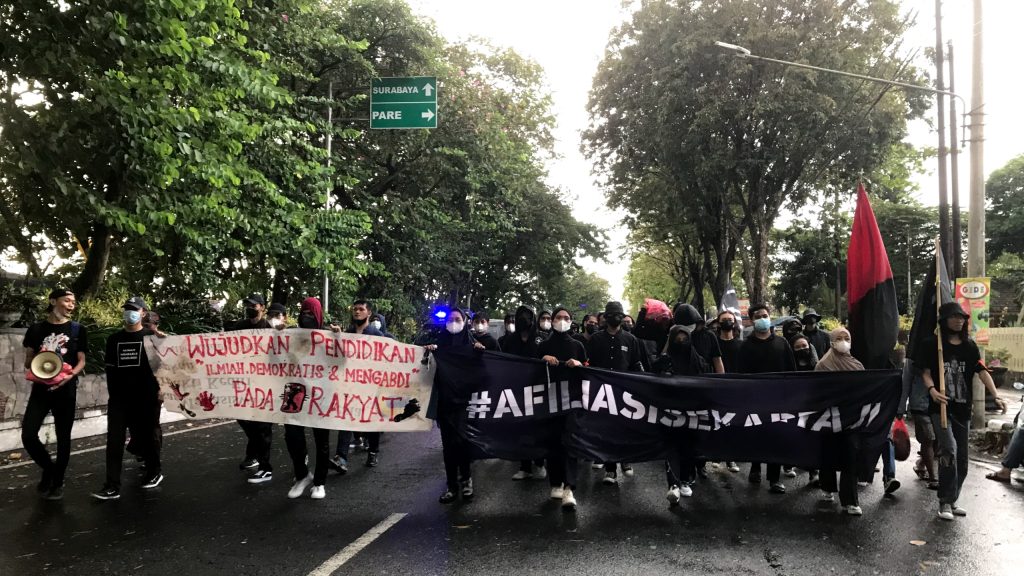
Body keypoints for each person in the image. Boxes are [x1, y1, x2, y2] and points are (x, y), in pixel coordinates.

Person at [920, 302, 1005, 520]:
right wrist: (931, 390)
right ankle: (944, 503)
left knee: (963, 460)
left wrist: (996, 394)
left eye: (962, 317)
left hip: (962, 409)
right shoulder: (933, 345)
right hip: (940, 409)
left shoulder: (969, 346)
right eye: (954, 317)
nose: (959, 320)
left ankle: (953, 498)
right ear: (944, 320)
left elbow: (982, 372)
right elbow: (926, 372)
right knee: (949, 449)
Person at [92, 297, 164, 500]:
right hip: (120, 399)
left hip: (147, 397)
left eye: (134, 309)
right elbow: (111, 370)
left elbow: (163, 367)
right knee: (114, 440)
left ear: (143, 313)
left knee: (148, 436)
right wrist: (114, 396)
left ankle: (154, 471)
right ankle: (112, 485)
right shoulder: (114, 339)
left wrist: (161, 390)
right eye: (126, 309)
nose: (129, 313)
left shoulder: (152, 337)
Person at [21, 288, 88, 500]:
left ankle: (57, 482)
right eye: (67, 301)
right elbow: (27, 361)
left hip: (65, 390)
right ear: (52, 301)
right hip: (41, 389)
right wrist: (42, 361)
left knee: (63, 438)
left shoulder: (77, 329)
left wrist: (70, 376)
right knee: (28, 434)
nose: (71, 305)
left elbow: (81, 361)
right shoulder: (36, 329)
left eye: (73, 302)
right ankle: (48, 468)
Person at [424, 309, 486, 503]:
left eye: (457, 319)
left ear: (465, 322)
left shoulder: (473, 345)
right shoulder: (439, 344)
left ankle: (466, 480)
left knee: (463, 442)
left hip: (466, 403)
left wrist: (480, 354)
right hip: (445, 402)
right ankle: (452, 485)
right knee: (448, 446)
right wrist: (428, 351)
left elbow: (485, 372)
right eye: (450, 319)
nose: (453, 322)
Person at [739, 303, 795, 493]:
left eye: (764, 315)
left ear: (769, 317)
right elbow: (740, 375)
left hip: (778, 400)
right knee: (756, 435)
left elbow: (792, 372)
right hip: (754, 400)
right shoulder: (745, 347)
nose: (762, 318)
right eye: (757, 316)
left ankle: (774, 479)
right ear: (752, 320)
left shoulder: (782, 344)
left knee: (776, 438)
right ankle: (755, 468)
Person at [587, 301, 645, 484]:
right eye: (611, 314)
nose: (615, 317)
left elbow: (636, 363)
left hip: (625, 390)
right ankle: (610, 469)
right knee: (607, 430)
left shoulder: (630, 339)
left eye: (619, 314)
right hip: (602, 391)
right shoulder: (595, 339)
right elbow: (589, 364)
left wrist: (644, 381)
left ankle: (625, 460)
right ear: (605, 316)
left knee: (625, 427)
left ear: (623, 316)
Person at [537, 306, 588, 510]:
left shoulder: (578, 345)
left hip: (572, 401)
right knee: (553, 442)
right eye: (558, 317)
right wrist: (542, 360)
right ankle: (555, 483)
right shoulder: (542, 346)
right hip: (549, 402)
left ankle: (569, 488)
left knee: (570, 443)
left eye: (566, 318)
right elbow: (530, 371)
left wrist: (580, 365)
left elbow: (588, 369)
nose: (562, 320)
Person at [284, 298, 333, 499]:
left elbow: (343, 361)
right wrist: (277, 337)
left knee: (321, 440)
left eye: (311, 314)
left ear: (319, 316)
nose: (307, 317)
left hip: (321, 393)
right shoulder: (289, 336)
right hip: (294, 391)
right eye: (304, 313)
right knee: (292, 436)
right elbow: (273, 358)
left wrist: (337, 340)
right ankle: (302, 475)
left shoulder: (329, 337)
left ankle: (320, 482)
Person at [815, 326, 866, 515]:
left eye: (847, 337)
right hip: (829, 417)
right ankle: (828, 487)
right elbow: (818, 391)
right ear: (832, 342)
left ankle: (850, 501)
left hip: (851, 417)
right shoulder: (823, 365)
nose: (843, 341)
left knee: (851, 455)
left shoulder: (857, 365)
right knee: (829, 453)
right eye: (839, 338)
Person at [331, 299, 387, 472]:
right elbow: (340, 357)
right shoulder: (347, 333)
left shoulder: (377, 336)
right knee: (346, 418)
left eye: (361, 309)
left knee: (370, 420)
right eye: (354, 309)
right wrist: (338, 338)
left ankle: (373, 451)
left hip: (370, 385)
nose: (357, 312)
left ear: (368, 313)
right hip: (351, 384)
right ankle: (341, 457)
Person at [657, 324, 710, 505]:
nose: (681, 341)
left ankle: (686, 479)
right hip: (669, 411)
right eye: (677, 338)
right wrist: (660, 369)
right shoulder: (663, 360)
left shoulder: (700, 362)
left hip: (692, 412)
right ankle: (673, 484)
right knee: (671, 447)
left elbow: (707, 384)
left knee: (688, 448)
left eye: (684, 338)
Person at [228, 293, 275, 479]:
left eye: (254, 305)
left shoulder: (269, 328)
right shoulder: (239, 327)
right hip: (244, 383)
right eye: (248, 305)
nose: (250, 308)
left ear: (262, 307)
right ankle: (254, 454)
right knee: (245, 419)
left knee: (262, 426)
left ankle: (265, 467)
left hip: (264, 384)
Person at [502, 306, 546, 480]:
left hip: (537, 390)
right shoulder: (510, 341)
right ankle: (525, 467)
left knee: (538, 429)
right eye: (520, 316)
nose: (523, 319)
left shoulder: (541, 339)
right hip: (517, 390)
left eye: (527, 316)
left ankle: (540, 462)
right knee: (521, 428)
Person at [715, 310, 743, 473]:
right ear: (718, 324)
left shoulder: (741, 345)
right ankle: (716, 455)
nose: (727, 322)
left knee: (733, 423)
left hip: (736, 390)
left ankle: (730, 458)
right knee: (717, 423)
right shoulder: (714, 343)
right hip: (717, 388)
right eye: (724, 320)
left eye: (730, 320)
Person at [907, 358, 938, 489]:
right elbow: (906, 381)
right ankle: (933, 478)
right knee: (929, 438)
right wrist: (901, 407)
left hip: (939, 403)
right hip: (920, 403)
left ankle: (921, 464)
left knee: (937, 440)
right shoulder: (913, 358)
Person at [674, 304, 724, 374]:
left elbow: (717, 360)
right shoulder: (674, 336)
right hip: (681, 378)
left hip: (704, 379)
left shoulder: (709, 336)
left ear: (699, 323)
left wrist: (721, 380)